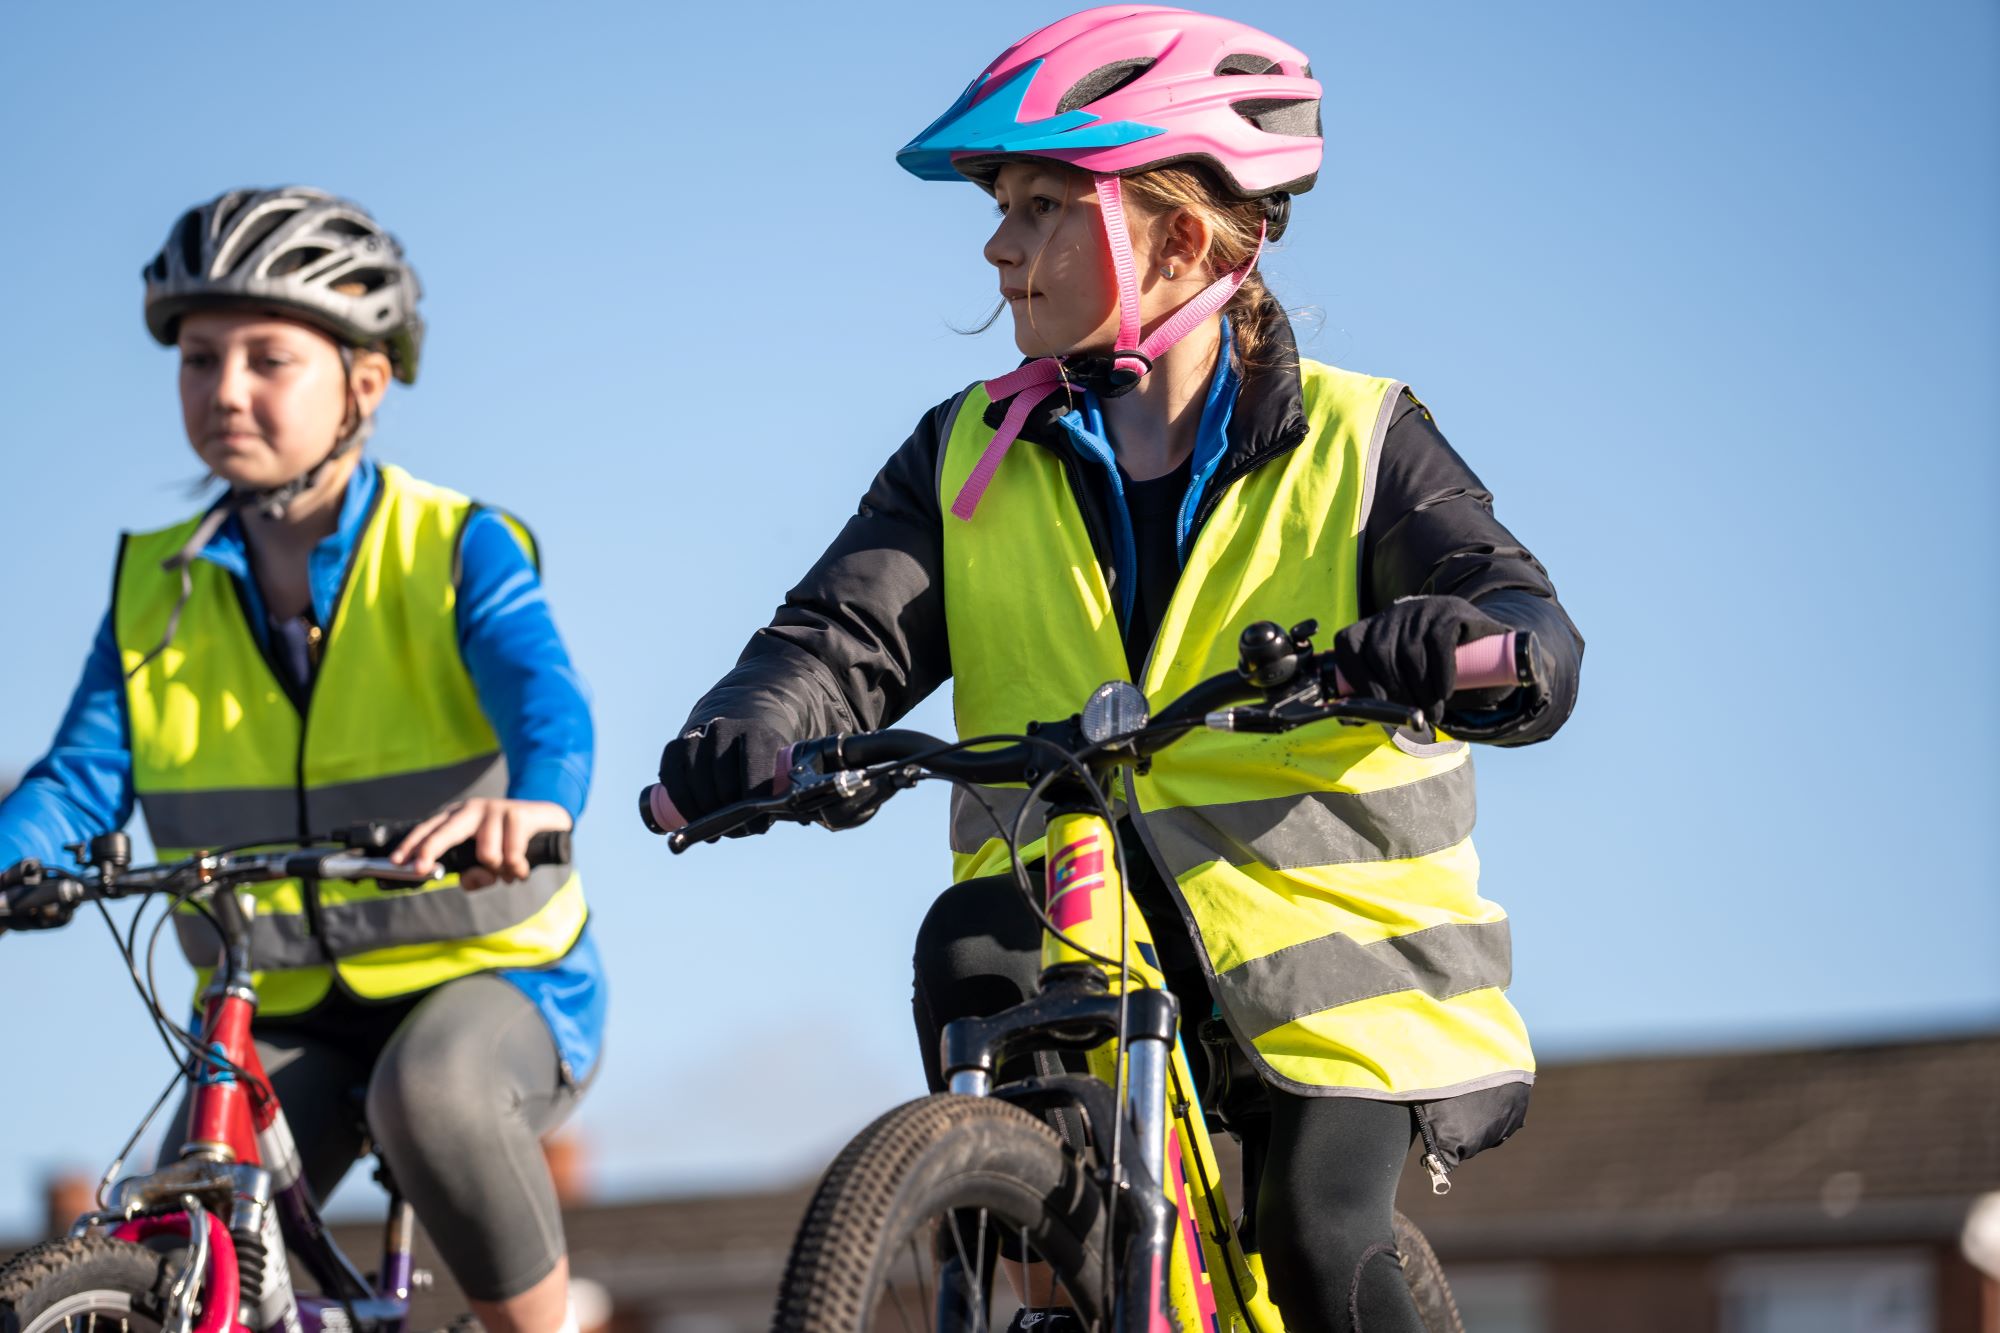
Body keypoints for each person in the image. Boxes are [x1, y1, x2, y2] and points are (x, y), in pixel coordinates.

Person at [652, 8, 1583, 1330]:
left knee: (1320, 1232)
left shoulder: (1358, 440)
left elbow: (1520, 617)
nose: (997, 242)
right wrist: (751, 726)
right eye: (1000, 205)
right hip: (1073, 915)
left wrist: (1467, 645)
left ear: (1183, 239)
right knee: (985, 1000)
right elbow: (844, 636)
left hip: (1331, 969)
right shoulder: (963, 452)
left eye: (1040, 205)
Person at [0, 186, 605, 1333]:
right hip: (275, 1000)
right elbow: (79, 778)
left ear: (362, 383)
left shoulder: (451, 542)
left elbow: (548, 701)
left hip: (487, 973)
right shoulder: (154, 583)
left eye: (267, 358)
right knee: (178, 1221)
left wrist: (530, 806)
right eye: (197, 357)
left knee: (431, 1099)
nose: (224, 389)